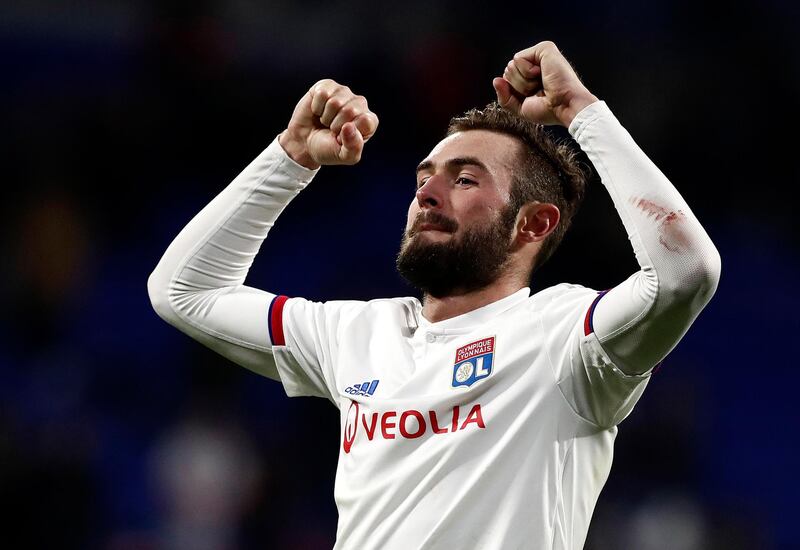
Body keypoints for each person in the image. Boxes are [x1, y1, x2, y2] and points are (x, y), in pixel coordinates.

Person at [148, 41, 720, 549]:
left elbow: (686, 271)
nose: (427, 194)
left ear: (534, 223)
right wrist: (291, 157)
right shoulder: (355, 334)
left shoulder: (565, 338)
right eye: (424, 178)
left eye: (464, 179)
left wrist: (582, 114)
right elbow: (183, 291)